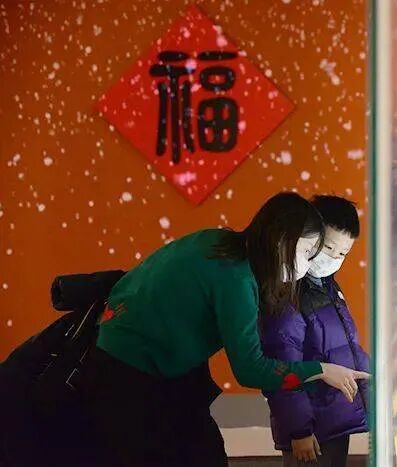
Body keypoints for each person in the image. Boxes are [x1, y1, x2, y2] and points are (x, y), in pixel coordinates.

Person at [80, 192, 369, 467]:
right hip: (132, 371)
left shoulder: (219, 242)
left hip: (151, 360)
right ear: (281, 240)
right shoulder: (238, 280)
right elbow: (250, 370)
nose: (307, 265)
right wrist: (321, 370)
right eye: (306, 252)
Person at [262, 195, 370, 467]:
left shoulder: (328, 287)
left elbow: (346, 348)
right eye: (329, 247)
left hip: (336, 418)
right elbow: (282, 366)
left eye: (342, 253)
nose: (333, 258)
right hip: (310, 429)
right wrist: (299, 430)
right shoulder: (288, 294)